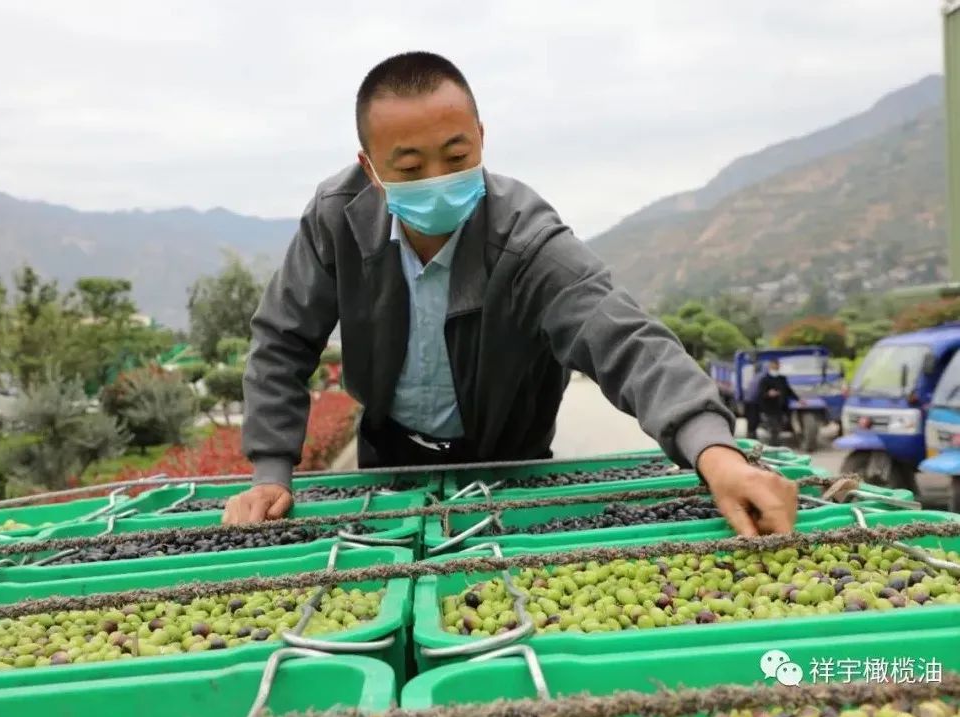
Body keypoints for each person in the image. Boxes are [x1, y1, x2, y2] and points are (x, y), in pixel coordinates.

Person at [224, 51, 798, 537]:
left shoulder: (524, 237)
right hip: (388, 458)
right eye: (410, 166)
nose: (437, 181)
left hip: (511, 464)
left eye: (456, 157)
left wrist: (715, 452)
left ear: (481, 138)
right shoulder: (338, 220)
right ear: (370, 168)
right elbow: (283, 340)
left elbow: (622, 336)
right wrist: (270, 472)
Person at [758, 360, 800, 447]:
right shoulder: (764, 379)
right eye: (773, 366)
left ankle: (776, 443)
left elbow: (788, 390)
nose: (775, 367)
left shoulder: (782, 378)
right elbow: (761, 393)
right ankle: (773, 445)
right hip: (770, 408)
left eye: (776, 366)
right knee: (773, 428)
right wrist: (768, 394)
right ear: (770, 366)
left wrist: (798, 399)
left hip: (781, 407)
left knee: (779, 426)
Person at [743, 362, 768, 440]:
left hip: (748, 400)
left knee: (751, 419)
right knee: (754, 419)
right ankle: (751, 436)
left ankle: (750, 434)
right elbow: (761, 391)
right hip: (754, 401)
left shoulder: (755, 376)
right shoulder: (762, 376)